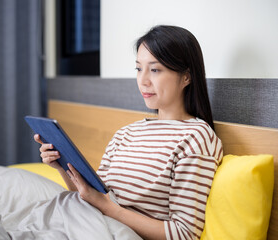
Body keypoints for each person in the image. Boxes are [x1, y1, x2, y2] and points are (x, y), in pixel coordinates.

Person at [35, 25, 223, 240]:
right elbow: (92, 197)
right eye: (138, 68)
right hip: (87, 221)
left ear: (186, 77)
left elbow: (184, 233)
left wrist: (107, 208)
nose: (143, 80)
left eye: (155, 70)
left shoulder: (196, 137)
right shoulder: (126, 133)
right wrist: (61, 167)